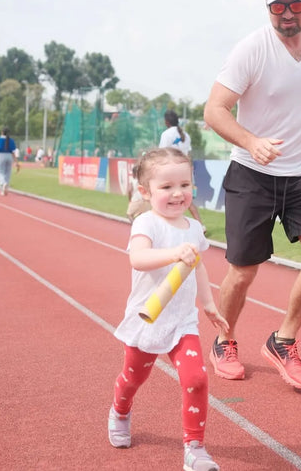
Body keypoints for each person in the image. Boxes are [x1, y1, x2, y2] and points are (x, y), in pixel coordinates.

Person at [202, 0, 301, 390]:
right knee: (243, 272)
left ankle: (283, 340)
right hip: (252, 172)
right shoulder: (251, 49)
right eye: (278, 6)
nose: (287, 13)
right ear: (267, 6)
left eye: (295, 4)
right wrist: (250, 142)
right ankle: (224, 339)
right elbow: (213, 110)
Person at [108, 147, 228, 470]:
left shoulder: (193, 229)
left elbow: (198, 267)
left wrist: (208, 304)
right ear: (146, 192)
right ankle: (120, 410)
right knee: (134, 379)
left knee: (197, 379)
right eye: (166, 187)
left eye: (185, 185)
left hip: (181, 321)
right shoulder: (146, 223)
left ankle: (195, 448)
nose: (178, 194)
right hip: (147, 319)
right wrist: (175, 254)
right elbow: (138, 258)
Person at [159, 109, 205, 233]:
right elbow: (189, 155)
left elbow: (162, 154)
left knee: (165, 198)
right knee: (187, 200)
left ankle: (168, 226)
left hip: (171, 170)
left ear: (166, 122)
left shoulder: (166, 134)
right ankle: (200, 226)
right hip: (184, 170)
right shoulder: (186, 135)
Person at [0, 127, 20, 196]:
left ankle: (3, 183)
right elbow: (13, 152)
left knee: (1, 172)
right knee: (8, 173)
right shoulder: (11, 140)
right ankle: (5, 187)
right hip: (9, 156)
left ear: (2, 132)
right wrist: (16, 162)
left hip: (1, 156)